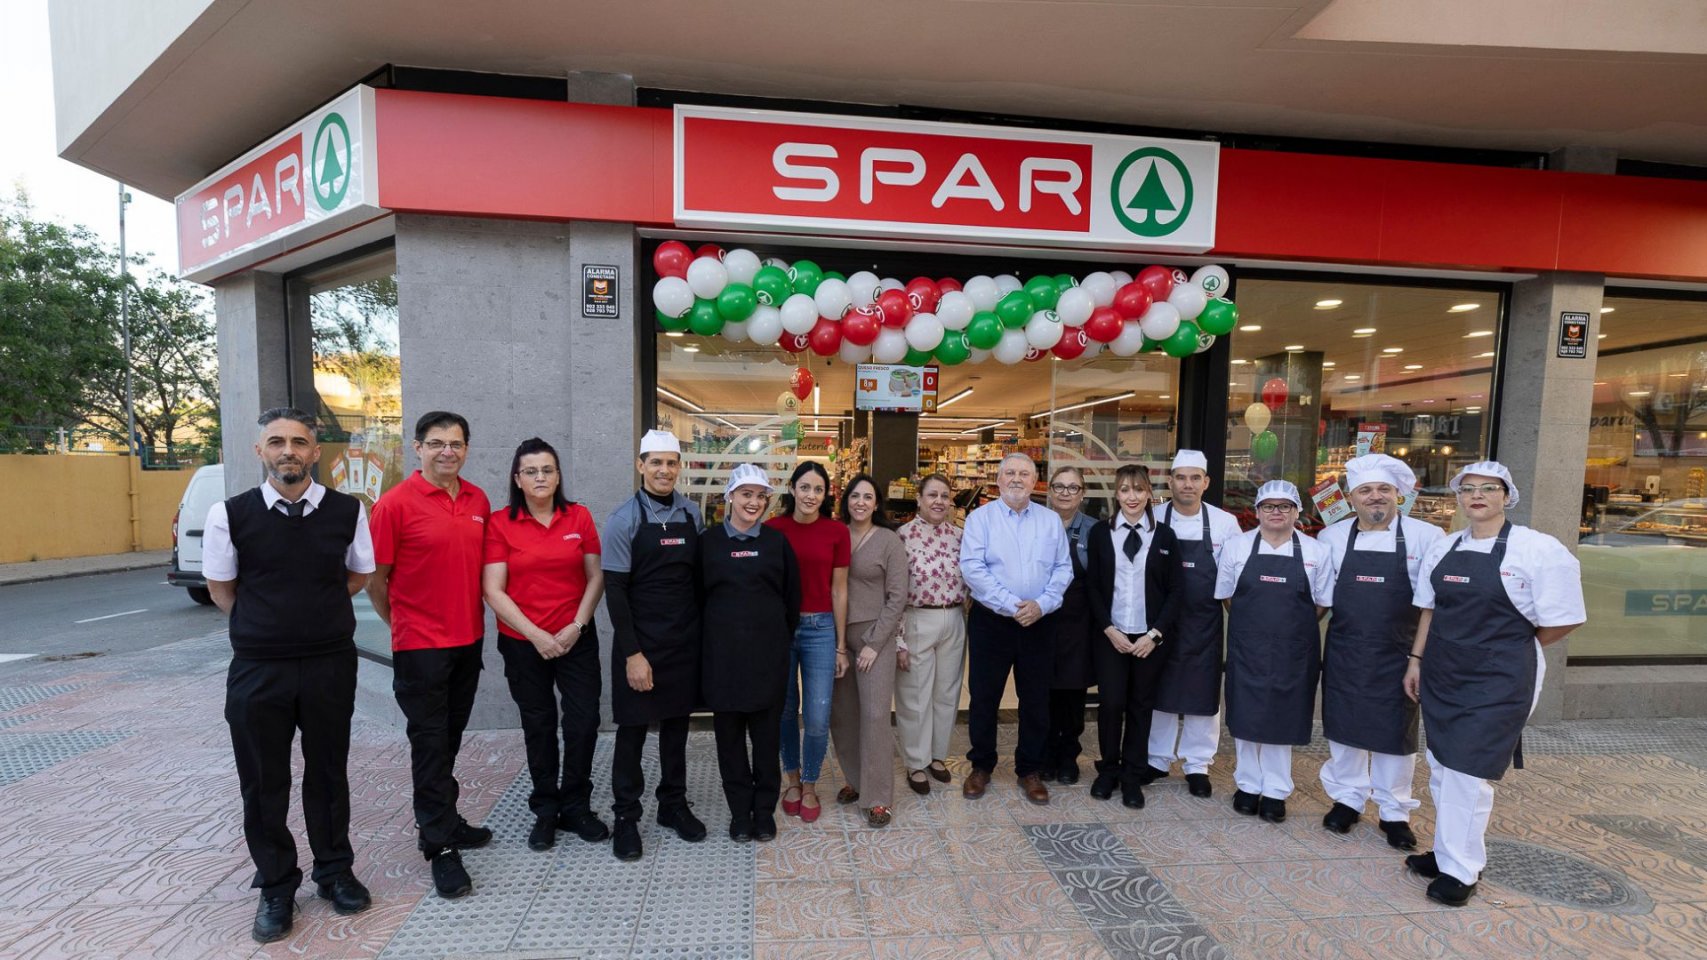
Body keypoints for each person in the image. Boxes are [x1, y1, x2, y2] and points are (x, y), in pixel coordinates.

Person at [203, 408, 374, 943]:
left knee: (328, 773)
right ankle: (276, 885)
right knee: (263, 780)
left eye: (299, 442)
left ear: (315, 451)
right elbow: (221, 590)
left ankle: (334, 872)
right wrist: (266, 625)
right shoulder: (229, 514)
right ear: (260, 452)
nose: (288, 451)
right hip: (258, 668)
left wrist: (315, 612)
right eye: (276, 442)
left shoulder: (347, 510)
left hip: (329, 662)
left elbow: (359, 574)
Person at [1402, 461, 1585, 907]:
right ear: (1458, 499)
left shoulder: (1537, 549)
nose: (1477, 496)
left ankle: (1460, 872)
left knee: (1469, 772)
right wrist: (1416, 660)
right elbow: (1430, 609)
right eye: (1468, 490)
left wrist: (1504, 647)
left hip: (1499, 678)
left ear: (1508, 495)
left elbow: (1564, 620)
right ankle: (1448, 852)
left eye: (1488, 488)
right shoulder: (1445, 547)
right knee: (1444, 767)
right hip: (1444, 671)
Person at [369, 410, 492, 899]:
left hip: (468, 642)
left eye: (457, 443)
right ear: (417, 447)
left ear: (466, 448)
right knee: (429, 746)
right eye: (437, 443)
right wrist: (402, 625)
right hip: (420, 647)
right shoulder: (394, 505)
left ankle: (447, 820)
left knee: (449, 740)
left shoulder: (479, 499)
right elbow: (376, 580)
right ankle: (440, 846)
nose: (448, 451)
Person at [481, 438, 609, 853]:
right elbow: (493, 590)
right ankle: (546, 809)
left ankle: (576, 805)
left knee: (583, 721)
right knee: (538, 725)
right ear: (517, 479)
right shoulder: (501, 522)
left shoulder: (580, 516)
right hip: (523, 643)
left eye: (548, 470)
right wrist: (537, 635)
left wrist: (575, 625)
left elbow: (595, 577)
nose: (540, 477)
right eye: (531, 471)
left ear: (558, 475)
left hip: (576, 638)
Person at [1314, 454, 1444, 849]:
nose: (1375, 497)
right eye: (1366, 490)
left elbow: (1431, 606)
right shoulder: (1331, 539)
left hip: (1401, 654)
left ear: (1398, 495)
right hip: (1346, 650)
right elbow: (1320, 599)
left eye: (1384, 489)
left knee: (1396, 732)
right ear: (1352, 498)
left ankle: (1394, 811)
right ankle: (1348, 799)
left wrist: (1418, 659)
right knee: (1344, 726)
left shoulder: (1427, 537)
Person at [601, 428, 707, 861]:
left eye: (671, 462)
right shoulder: (623, 519)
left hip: (682, 640)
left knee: (677, 729)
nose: (665, 470)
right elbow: (614, 592)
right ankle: (626, 816)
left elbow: (697, 581)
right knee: (631, 732)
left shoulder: (691, 514)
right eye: (656, 462)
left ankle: (672, 805)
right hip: (639, 643)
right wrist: (633, 654)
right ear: (640, 466)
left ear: (679, 467)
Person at [1214, 479, 1334, 824]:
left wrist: (1287, 631)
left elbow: (1321, 603)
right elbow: (1227, 596)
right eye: (1269, 506)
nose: (1277, 512)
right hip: (1247, 647)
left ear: (1297, 512)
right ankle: (1248, 786)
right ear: (1257, 512)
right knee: (1247, 714)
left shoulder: (1315, 551)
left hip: (1294, 650)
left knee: (1283, 717)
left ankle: (1276, 791)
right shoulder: (1237, 547)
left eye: (1284, 506)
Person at [959, 453, 1073, 805]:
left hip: (1040, 621)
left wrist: (1041, 605)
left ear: (1035, 479)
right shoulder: (980, 519)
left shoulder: (1051, 521)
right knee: (984, 697)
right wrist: (1012, 606)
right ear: (998, 478)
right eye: (1010, 472)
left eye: (1024, 473)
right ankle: (981, 766)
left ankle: (1030, 770)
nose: (1016, 479)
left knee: (1036, 700)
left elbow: (1063, 569)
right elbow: (973, 569)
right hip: (993, 622)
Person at [700, 464, 799, 843]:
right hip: (722, 661)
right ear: (729, 497)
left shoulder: (776, 543)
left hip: (767, 661)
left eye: (761, 496)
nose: (754, 502)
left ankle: (763, 811)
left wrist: (775, 640)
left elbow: (792, 599)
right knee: (729, 744)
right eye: (746, 494)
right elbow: (698, 598)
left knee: (765, 741)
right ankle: (740, 813)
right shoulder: (708, 543)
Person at [1146, 450, 1243, 798]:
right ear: (1170, 481)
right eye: (1181, 478)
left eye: (1194, 478)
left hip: (1204, 620)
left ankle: (1197, 763)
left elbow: (1232, 575)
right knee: (1159, 689)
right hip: (1159, 621)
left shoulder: (1224, 523)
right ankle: (1157, 758)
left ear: (1206, 483)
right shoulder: (1153, 517)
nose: (1187, 485)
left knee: (1203, 692)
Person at [1085, 464, 1178, 809]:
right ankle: (1108, 769)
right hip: (1112, 635)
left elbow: (1175, 592)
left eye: (1138, 490)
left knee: (1141, 705)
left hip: (1148, 639)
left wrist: (1154, 634)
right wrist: (1108, 628)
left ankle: (1132, 774)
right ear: (1116, 494)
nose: (1132, 497)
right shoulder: (1100, 533)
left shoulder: (1165, 537)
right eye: (1125, 490)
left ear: (1149, 494)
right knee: (1110, 704)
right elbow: (1092, 586)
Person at [766, 461, 851, 824]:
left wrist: (841, 646)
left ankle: (812, 782)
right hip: (780, 630)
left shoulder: (836, 532)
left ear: (826, 494)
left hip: (821, 629)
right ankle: (792, 780)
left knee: (817, 716)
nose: (810, 495)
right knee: (785, 711)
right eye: (804, 487)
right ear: (792, 489)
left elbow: (840, 589)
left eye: (818, 489)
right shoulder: (772, 529)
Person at [830, 475, 908, 827]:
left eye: (868, 497)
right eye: (855, 496)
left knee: (876, 715)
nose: (860, 502)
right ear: (846, 500)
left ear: (877, 503)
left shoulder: (890, 540)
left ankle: (878, 797)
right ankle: (856, 780)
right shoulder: (834, 533)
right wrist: (836, 644)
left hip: (876, 637)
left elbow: (897, 597)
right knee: (844, 714)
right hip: (836, 637)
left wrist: (875, 644)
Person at [895, 474, 966, 795]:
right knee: (915, 695)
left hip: (953, 617)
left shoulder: (961, 537)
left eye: (944, 496)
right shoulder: (902, 537)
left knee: (947, 693)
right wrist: (898, 639)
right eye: (932, 495)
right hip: (916, 619)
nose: (939, 501)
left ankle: (937, 756)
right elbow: (893, 592)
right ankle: (915, 761)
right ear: (919, 500)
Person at [1041, 466, 1099, 785]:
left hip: (1079, 622)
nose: (1065, 493)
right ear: (1050, 491)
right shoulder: (1037, 525)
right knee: (1043, 690)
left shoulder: (1095, 530)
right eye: (1059, 487)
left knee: (1073, 694)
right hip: (1042, 620)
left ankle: (1068, 756)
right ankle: (1047, 753)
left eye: (1072, 488)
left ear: (1082, 493)